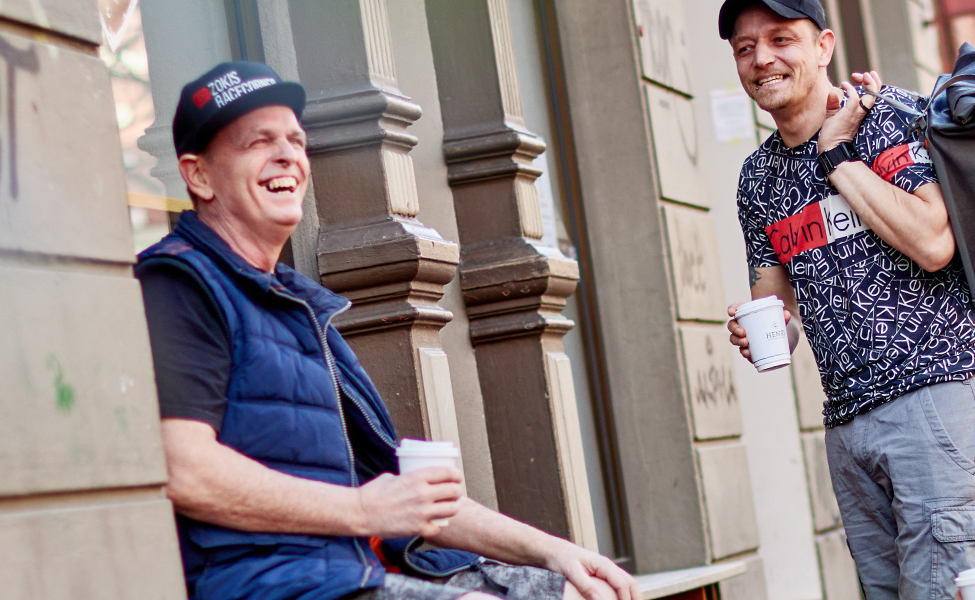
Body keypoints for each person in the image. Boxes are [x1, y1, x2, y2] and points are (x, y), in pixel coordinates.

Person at [136, 61, 636, 600]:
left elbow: (415, 502)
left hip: (364, 572)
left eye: (296, 142)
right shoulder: (179, 282)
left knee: (588, 592)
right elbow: (182, 467)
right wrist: (359, 510)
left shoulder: (299, 307)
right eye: (258, 141)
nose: (287, 156)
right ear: (199, 175)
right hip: (273, 585)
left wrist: (558, 551)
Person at [718, 1, 975, 599]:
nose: (763, 59)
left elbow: (934, 241)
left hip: (938, 396)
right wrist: (763, 330)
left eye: (781, 39)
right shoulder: (757, 178)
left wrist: (836, 154)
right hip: (849, 425)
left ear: (824, 46)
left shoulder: (880, 118)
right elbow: (778, 301)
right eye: (746, 48)